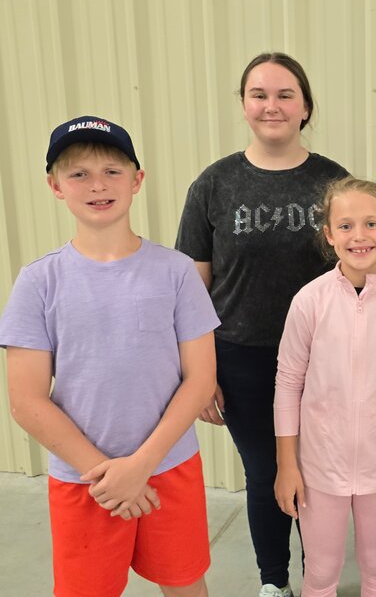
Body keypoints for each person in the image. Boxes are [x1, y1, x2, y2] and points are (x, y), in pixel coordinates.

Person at [0, 116, 220, 597]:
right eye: (78, 173)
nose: (97, 185)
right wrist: (106, 474)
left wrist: (141, 465)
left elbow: (200, 380)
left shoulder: (177, 273)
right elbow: (27, 401)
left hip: (169, 467)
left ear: (137, 180)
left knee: (184, 581)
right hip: (85, 479)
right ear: (55, 185)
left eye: (112, 171)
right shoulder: (38, 283)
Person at [176, 53, 349, 597]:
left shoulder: (331, 180)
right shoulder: (215, 184)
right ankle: (274, 582)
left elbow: (356, 271)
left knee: (315, 474)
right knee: (266, 474)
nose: (271, 106)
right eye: (259, 94)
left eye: (284, 94)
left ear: (305, 107)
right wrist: (197, 375)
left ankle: (317, 580)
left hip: (322, 357)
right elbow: (191, 290)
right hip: (242, 358)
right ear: (245, 105)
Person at [273, 177, 376, 596]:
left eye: (371, 224)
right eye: (345, 226)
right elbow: (288, 382)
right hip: (318, 467)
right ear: (328, 234)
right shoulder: (309, 301)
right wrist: (287, 464)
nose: (359, 236)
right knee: (322, 571)